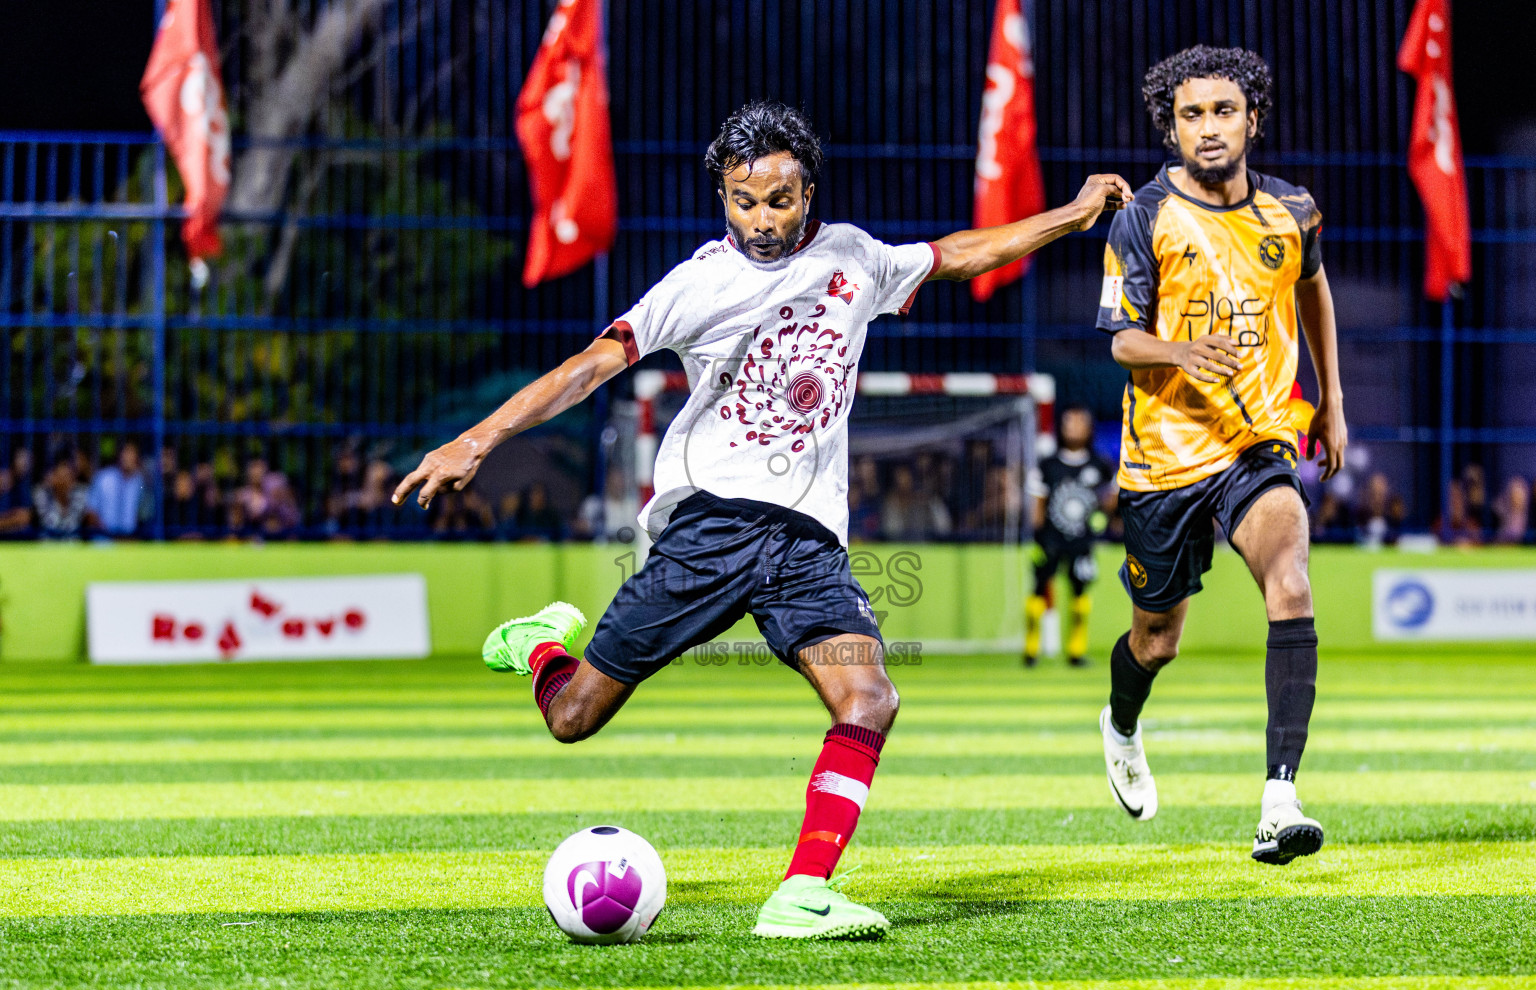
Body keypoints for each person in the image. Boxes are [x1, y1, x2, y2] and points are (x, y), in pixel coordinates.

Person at [392, 100, 1130, 939]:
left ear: (808, 192)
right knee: (573, 719)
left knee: (869, 696)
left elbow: (959, 255)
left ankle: (802, 893)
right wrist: (477, 439)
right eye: (744, 200)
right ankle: (540, 645)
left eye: (780, 199)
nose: (763, 219)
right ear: (722, 197)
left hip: (808, 543)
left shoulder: (854, 257)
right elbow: (586, 369)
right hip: (711, 526)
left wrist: (1071, 218)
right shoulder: (699, 283)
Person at [1094, 47, 1347, 866]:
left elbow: (1313, 287)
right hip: (1163, 461)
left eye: (1223, 111)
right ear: (1171, 127)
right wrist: (1177, 349)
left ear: (1253, 118)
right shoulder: (1141, 219)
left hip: (1258, 443)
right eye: (1191, 115)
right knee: (1157, 639)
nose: (1208, 128)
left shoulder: (1293, 212)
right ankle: (1122, 723)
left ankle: (1281, 800)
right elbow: (1121, 339)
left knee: (1292, 579)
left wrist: (1332, 401)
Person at [1023, 406, 1114, 668]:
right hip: (1049, 539)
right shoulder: (1048, 465)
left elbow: (1112, 499)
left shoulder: (1099, 465)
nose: (1073, 428)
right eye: (1069, 423)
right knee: (1039, 589)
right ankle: (1031, 651)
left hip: (1082, 541)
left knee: (1080, 592)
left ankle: (1076, 651)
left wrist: (1106, 512)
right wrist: (1036, 537)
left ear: (1089, 429)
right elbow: (1038, 503)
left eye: (1079, 423)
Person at [88, 440, 148, 538]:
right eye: (125, 452)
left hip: (131, 541)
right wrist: (108, 534)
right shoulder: (103, 478)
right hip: (104, 540)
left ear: (137, 457)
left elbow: (144, 512)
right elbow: (91, 511)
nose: (127, 457)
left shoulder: (140, 481)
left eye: (131, 453)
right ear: (119, 455)